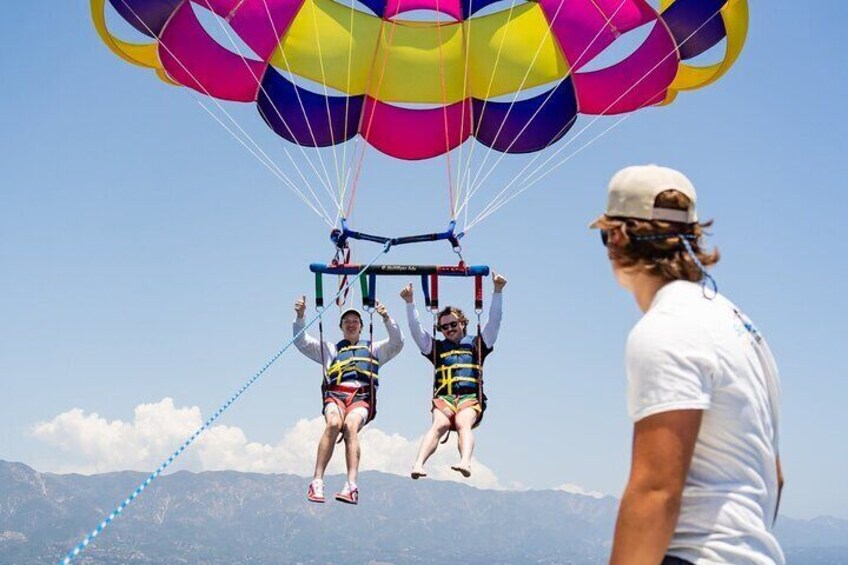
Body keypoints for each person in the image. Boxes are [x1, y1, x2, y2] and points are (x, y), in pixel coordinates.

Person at [591, 165, 784, 564]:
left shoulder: (666, 328)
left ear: (618, 238)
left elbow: (656, 491)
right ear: (692, 238)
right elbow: (775, 476)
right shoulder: (741, 327)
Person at [293, 298, 403, 505]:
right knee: (334, 423)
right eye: (347, 322)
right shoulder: (331, 350)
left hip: (361, 398)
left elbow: (397, 342)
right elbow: (302, 341)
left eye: (355, 321)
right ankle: (317, 481)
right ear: (341, 327)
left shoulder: (375, 349)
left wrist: (387, 318)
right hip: (335, 395)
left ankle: (351, 485)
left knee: (350, 426)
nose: (351, 324)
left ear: (361, 327)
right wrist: (300, 317)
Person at [400, 273, 506, 479]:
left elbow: (494, 321)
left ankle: (465, 462)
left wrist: (498, 291)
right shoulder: (436, 348)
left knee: (463, 423)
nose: (449, 329)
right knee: (439, 425)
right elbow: (416, 332)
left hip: (469, 399)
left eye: (453, 324)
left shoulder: (478, 344)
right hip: (444, 399)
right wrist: (409, 302)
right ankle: (418, 464)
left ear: (463, 323)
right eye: (444, 327)